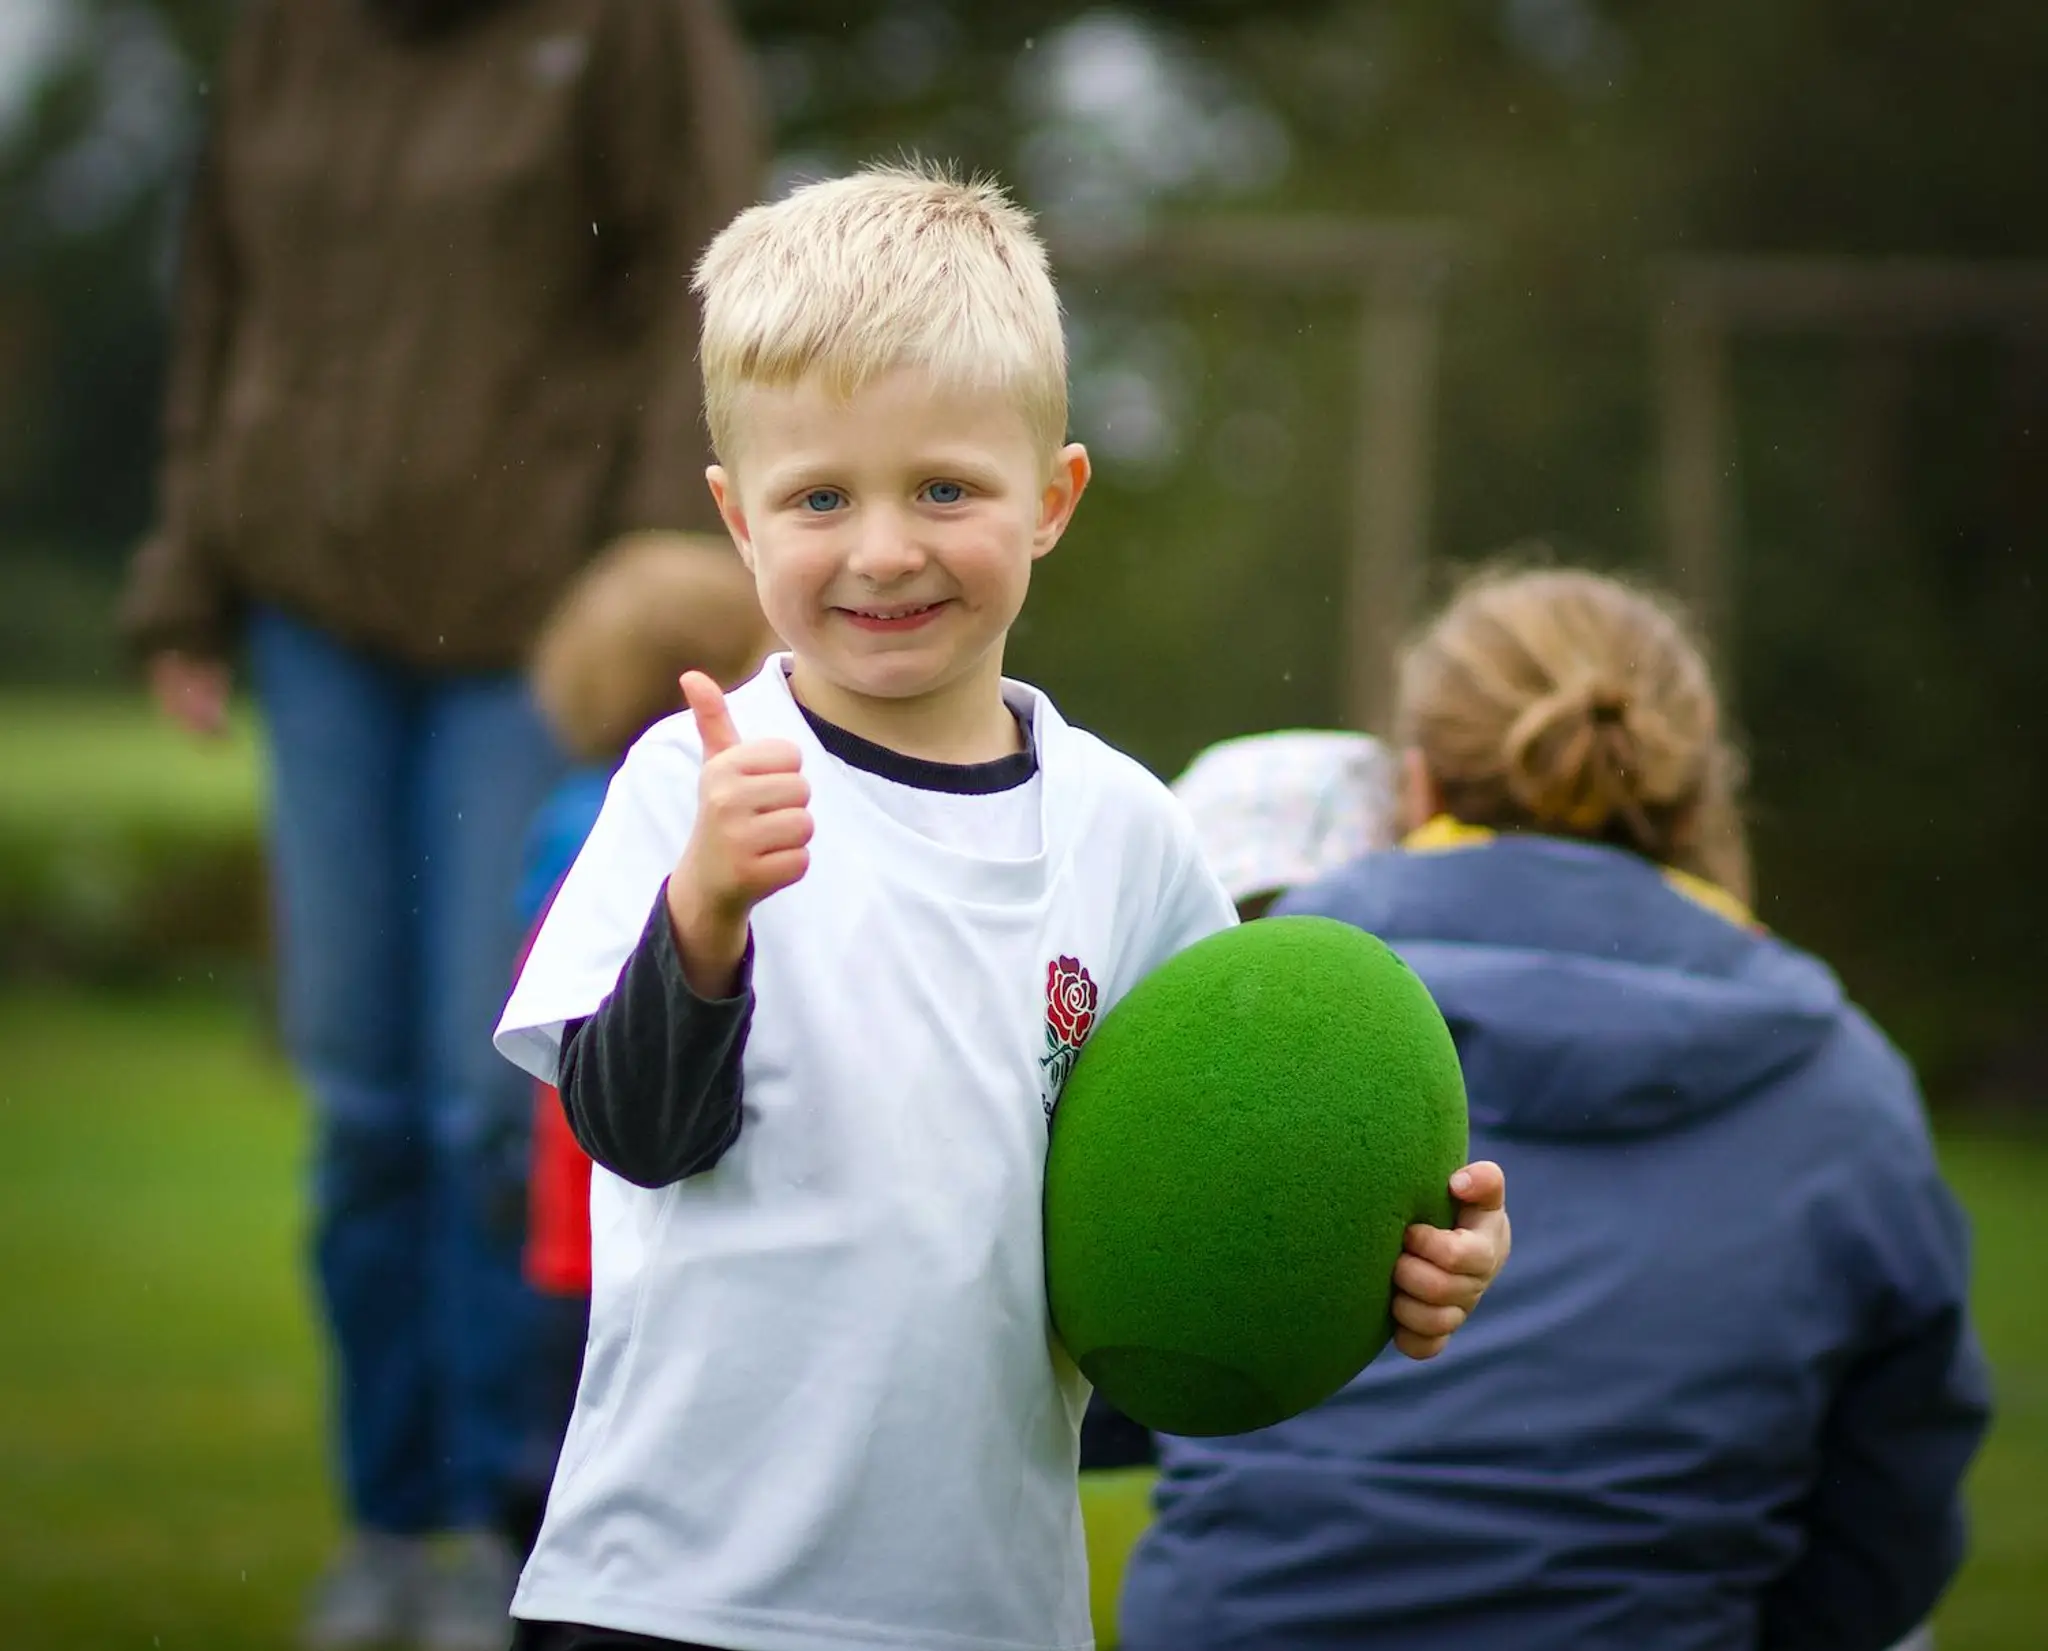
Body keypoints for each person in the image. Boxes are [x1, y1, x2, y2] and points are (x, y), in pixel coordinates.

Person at [491, 162, 1513, 1651]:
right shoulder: (693, 786)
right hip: (672, 1585)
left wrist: (1402, 1260)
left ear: (1052, 499)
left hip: (982, 1600)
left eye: (945, 489)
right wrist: (703, 914)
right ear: (736, 518)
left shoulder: (1127, 833)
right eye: (820, 496)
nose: (884, 548)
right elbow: (636, 1136)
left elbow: (1210, 1189)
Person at [115, 3, 761, 1645]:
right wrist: (184, 573)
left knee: (496, 1106)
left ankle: (503, 1521)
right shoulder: (289, 30)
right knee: (362, 1118)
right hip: (312, 614)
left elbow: (698, 279)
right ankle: (387, 1522)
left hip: (540, 625)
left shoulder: (631, 25)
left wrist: (657, 588)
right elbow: (220, 292)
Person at [1118, 566, 1993, 1651]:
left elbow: (1108, 1353)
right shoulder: (1846, 1089)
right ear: (1697, 801)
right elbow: (1890, 1514)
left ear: (1417, 784)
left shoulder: (1243, 1006)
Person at [507, 531, 775, 1553]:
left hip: (558, 1228)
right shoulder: (667, 819)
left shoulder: (558, 818)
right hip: (646, 1223)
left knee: (561, 1470)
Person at [1081, 727, 1397, 1471]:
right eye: (1232, 923)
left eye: (1297, 932)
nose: (1256, 984)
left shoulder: (1393, 1093)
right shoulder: (1126, 1102)